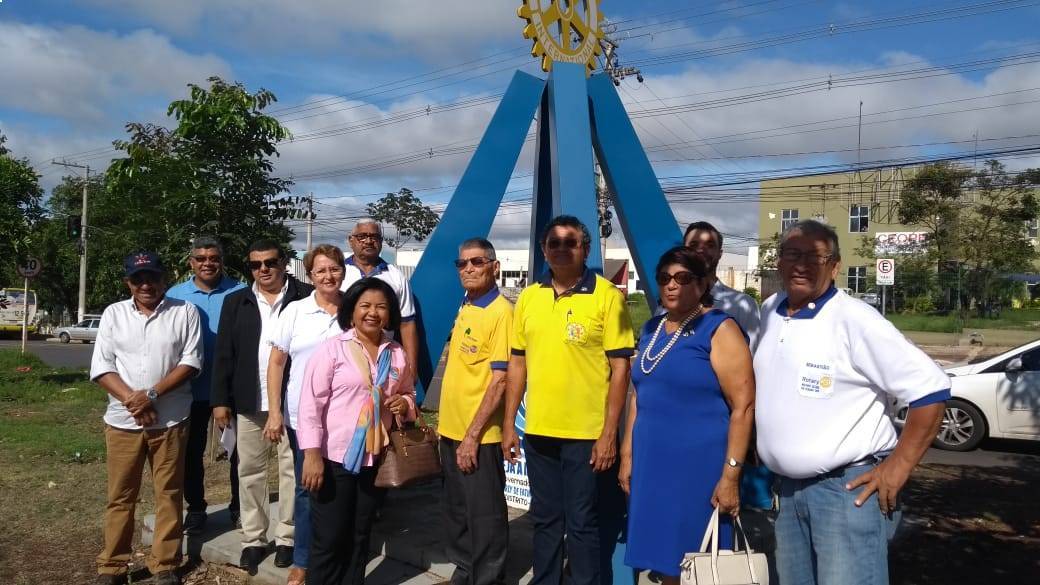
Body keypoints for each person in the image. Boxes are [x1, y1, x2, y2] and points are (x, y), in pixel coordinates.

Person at [755, 220, 949, 585]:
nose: (801, 265)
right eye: (792, 254)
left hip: (845, 492)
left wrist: (898, 467)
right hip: (786, 492)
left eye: (814, 257)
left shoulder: (855, 318)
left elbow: (931, 391)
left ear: (834, 266)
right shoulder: (770, 310)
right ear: (779, 261)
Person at [502, 215, 635, 585]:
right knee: (545, 520)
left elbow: (620, 370)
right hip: (539, 431)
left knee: (581, 523)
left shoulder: (608, 297)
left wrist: (608, 434)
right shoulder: (529, 297)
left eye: (570, 242)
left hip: (586, 436)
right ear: (544, 250)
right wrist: (509, 423)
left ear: (585, 249)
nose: (561, 248)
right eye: (554, 242)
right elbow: (518, 363)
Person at [619, 247, 755, 583]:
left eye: (682, 278)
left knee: (698, 564)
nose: (671, 285)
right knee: (666, 563)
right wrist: (627, 455)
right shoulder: (652, 329)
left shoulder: (719, 328)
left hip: (698, 470)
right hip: (653, 465)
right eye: (664, 278)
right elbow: (639, 396)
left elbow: (743, 407)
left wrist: (731, 476)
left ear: (702, 283)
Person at [90, 251, 203, 585]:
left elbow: (191, 362)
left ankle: (164, 564)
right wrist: (134, 401)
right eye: (138, 279)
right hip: (123, 422)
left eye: (152, 277)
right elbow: (102, 366)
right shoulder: (113, 314)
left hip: (170, 419)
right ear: (128, 282)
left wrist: (151, 395)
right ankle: (112, 566)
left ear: (163, 279)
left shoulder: (184, 311)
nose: (145, 285)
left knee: (169, 492)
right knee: (120, 495)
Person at [297, 278, 417, 585]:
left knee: (360, 535)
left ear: (389, 314)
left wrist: (404, 404)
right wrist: (312, 455)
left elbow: (408, 393)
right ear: (351, 311)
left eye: (381, 307)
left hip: (374, 459)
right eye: (365, 306)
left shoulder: (396, 353)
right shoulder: (333, 350)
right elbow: (310, 405)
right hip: (334, 458)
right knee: (330, 538)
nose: (372, 313)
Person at [210, 240, 314, 574]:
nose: (263, 269)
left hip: (292, 403)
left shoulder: (305, 296)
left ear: (283, 262)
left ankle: (287, 537)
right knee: (250, 471)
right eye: (256, 265)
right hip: (249, 400)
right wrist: (220, 401)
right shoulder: (236, 301)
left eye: (270, 262)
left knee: (290, 471)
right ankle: (254, 539)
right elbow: (224, 353)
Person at [265, 244, 347, 585]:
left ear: (343, 271)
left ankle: (337, 556)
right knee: (306, 488)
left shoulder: (353, 309)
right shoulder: (295, 311)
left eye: (334, 269)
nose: (328, 276)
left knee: (343, 490)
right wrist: (274, 412)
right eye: (320, 271)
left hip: (346, 421)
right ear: (310, 275)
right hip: (303, 419)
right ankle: (303, 559)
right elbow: (276, 363)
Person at [438, 238, 512, 585]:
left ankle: (487, 578)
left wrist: (472, 436)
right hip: (451, 430)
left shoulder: (501, 313)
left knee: (485, 516)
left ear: (494, 267)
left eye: (477, 262)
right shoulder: (467, 305)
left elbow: (500, 380)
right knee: (457, 511)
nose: (468, 268)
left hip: (479, 436)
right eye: (462, 263)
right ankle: (465, 569)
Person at [165, 236, 246, 533]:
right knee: (191, 452)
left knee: (239, 452)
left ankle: (239, 507)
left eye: (213, 258)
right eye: (201, 258)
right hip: (191, 389)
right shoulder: (175, 295)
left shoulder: (241, 292)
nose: (207, 263)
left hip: (232, 389)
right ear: (191, 263)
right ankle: (196, 508)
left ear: (222, 261)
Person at [339, 219, 419, 384]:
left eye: (374, 237)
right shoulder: (339, 273)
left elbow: (407, 324)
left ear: (381, 241)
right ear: (351, 240)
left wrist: (411, 369)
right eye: (362, 236)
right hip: (342, 358)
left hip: (383, 360)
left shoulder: (395, 276)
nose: (368, 241)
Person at [681, 221, 761, 349]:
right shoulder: (669, 303)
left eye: (710, 245)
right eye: (693, 245)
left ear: (720, 254)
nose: (701, 250)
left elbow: (752, 356)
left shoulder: (743, 306)